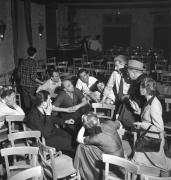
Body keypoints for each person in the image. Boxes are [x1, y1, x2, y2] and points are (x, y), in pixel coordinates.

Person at [131, 77, 171, 173]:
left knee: (163, 166)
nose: (139, 89)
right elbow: (148, 118)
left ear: (146, 89)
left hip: (152, 140)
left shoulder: (154, 104)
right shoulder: (149, 100)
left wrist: (141, 124)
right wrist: (138, 111)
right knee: (136, 163)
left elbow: (159, 127)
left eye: (141, 87)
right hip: (146, 137)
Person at [74, 112, 124, 180]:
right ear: (98, 120)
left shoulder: (96, 137)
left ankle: (82, 169)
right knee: (92, 147)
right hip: (121, 157)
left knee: (81, 147)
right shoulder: (109, 123)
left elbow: (78, 139)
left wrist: (83, 126)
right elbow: (119, 124)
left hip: (113, 165)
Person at [118, 60, 147, 130]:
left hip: (140, 112)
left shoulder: (142, 82)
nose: (127, 74)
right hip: (138, 109)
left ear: (133, 72)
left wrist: (127, 98)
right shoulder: (138, 80)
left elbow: (139, 101)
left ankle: (122, 126)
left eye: (128, 73)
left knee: (124, 105)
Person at [18, 47, 44, 114]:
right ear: (35, 53)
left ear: (28, 53)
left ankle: (27, 113)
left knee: (26, 100)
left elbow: (19, 73)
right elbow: (33, 77)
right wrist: (42, 82)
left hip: (23, 84)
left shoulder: (23, 61)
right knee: (32, 100)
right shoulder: (34, 62)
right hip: (31, 85)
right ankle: (32, 114)